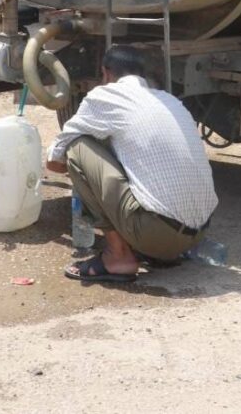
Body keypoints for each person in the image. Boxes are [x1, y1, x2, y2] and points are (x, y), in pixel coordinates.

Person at [46, 45, 218, 283]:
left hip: (157, 236)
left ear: (105, 73)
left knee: (76, 147)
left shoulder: (105, 95)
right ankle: (152, 248)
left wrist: (87, 178)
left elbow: (55, 159)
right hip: (197, 235)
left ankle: (118, 256)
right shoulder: (169, 100)